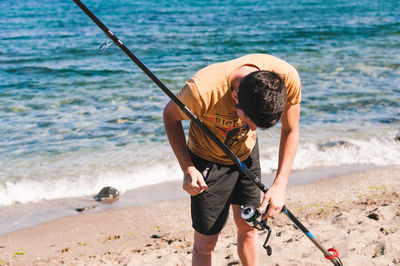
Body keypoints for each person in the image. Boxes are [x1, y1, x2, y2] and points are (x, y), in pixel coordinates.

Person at [163, 54, 301, 266]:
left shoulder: (285, 79)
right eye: (250, 121)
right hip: (206, 160)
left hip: (246, 156)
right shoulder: (202, 91)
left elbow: (290, 129)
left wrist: (280, 184)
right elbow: (169, 115)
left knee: (249, 228)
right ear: (235, 97)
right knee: (206, 242)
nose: (252, 129)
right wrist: (187, 168)